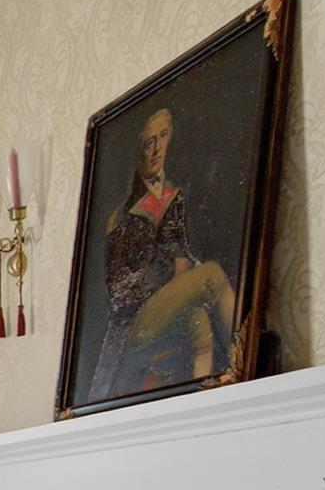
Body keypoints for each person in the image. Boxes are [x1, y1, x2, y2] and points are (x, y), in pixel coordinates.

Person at [88, 107, 236, 401]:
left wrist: (182, 286)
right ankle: (249, 359)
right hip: (133, 322)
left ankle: (206, 407)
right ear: (137, 152)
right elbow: (118, 290)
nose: (155, 150)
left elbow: (180, 257)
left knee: (199, 322)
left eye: (162, 137)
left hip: (163, 307)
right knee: (213, 274)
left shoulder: (172, 196)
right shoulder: (121, 215)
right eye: (147, 142)